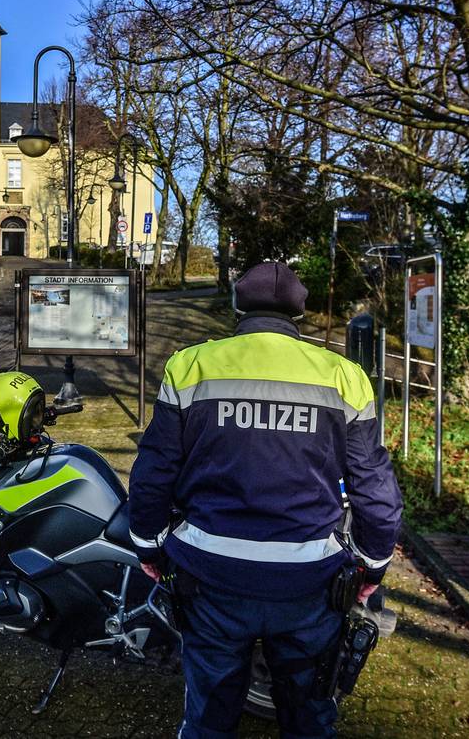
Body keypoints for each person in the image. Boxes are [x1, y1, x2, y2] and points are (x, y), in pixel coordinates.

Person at [128, 261, 403, 739]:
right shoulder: (345, 377)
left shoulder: (190, 365)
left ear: (238, 305)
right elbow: (374, 488)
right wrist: (372, 566)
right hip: (309, 583)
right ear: (299, 312)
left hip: (211, 577)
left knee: (209, 720)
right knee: (310, 719)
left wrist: (149, 547)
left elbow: (154, 473)